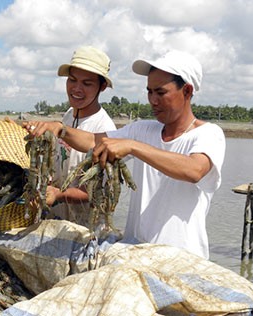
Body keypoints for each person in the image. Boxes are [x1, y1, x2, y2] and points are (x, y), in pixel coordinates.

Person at [24, 50, 226, 259]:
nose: (153, 100)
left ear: (187, 91)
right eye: (149, 92)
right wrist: (61, 130)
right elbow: (94, 140)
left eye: (161, 92)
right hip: (135, 252)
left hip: (181, 258)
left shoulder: (208, 134)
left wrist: (133, 146)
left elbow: (194, 170)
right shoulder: (143, 130)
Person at [44, 46, 117, 227]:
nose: (76, 88)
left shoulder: (105, 129)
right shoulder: (69, 115)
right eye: (72, 80)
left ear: (102, 86)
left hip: (86, 229)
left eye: (87, 83)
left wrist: (59, 195)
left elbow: (94, 192)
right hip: (59, 220)